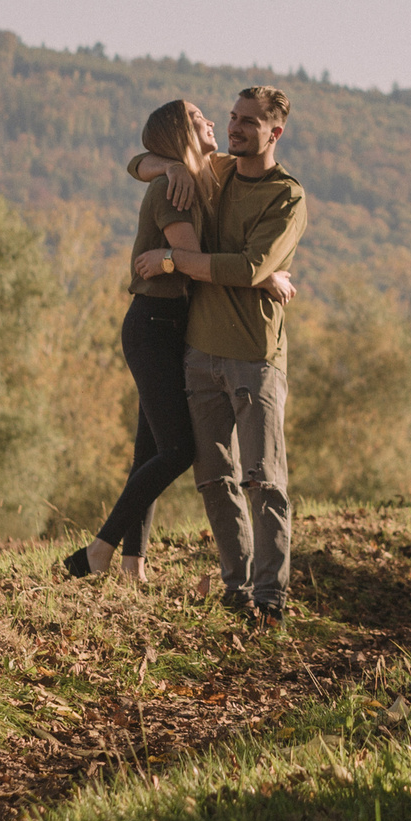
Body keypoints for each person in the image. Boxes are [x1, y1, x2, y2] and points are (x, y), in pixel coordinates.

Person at [64, 99, 294, 583]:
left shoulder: (203, 173)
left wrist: (261, 271)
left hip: (174, 326)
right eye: (198, 119)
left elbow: (136, 163)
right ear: (179, 135)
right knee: (176, 451)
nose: (214, 122)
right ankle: (98, 551)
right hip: (154, 326)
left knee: (149, 450)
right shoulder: (174, 186)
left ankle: (133, 564)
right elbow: (191, 258)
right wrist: (260, 276)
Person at [131, 86, 307, 625]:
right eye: (232, 117)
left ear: (273, 133)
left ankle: (270, 598)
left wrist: (171, 259)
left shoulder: (287, 196)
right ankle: (237, 589)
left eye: (249, 121)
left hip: (255, 355)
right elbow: (136, 161)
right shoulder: (220, 171)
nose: (234, 127)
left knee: (264, 478)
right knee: (214, 478)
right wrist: (166, 164)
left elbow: (249, 268)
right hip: (198, 353)